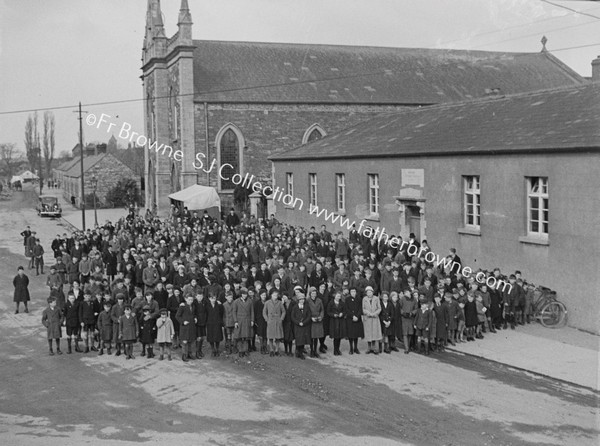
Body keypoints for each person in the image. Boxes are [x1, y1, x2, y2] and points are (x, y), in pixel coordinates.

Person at [232, 288, 254, 358]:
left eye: (246, 294)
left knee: (246, 336)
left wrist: (252, 320)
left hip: (247, 320)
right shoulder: (236, 302)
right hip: (239, 320)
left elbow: (252, 312)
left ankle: (246, 350)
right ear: (241, 294)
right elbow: (234, 312)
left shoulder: (250, 301)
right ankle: (240, 351)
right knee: (240, 337)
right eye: (243, 294)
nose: (244, 295)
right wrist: (235, 321)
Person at [263, 290, 285, 357]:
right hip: (270, 321)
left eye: (276, 295)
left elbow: (283, 311)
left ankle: (277, 350)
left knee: (278, 337)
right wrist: (267, 319)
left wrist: (281, 319)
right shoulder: (267, 303)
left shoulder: (280, 303)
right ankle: (271, 350)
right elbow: (264, 312)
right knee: (270, 337)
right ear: (271, 295)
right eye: (274, 295)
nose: (275, 296)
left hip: (277, 321)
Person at [176, 294, 197, 362]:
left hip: (191, 326)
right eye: (189, 300)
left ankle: (190, 354)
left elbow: (194, 314)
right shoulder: (182, 306)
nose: (190, 301)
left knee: (191, 340)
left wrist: (195, 318)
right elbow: (177, 316)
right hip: (184, 327)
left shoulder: (193, 306)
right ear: (186, 299)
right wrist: (182, 322)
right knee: (184, 341)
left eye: (191, 300)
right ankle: (184, 355)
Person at [291, 293, 311, 359]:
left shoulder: (307, 306)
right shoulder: (295, 307)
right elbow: (292, 317)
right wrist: (298, 322)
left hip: (305, 325)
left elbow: (309, 316)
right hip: (297, 326)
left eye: (303, 299)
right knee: (298, 338)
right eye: (300, 299)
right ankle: (298, 351)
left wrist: (304, 322)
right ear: (298, 300)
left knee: (303, 339)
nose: (302, 300)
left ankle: (301, 352)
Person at [362, 286, 382, 354]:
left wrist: (374, 313)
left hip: (375, 318)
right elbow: (363, 308)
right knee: (368, 333)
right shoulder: (364, 299)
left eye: (370, 292)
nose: (369, 293)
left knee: (374, 333)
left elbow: (379, 308)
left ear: (372, 292)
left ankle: (374, 347)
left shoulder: (376, 298)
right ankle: (369, 347)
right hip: (368, 318)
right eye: (368, 292)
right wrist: (368, 313)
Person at [345, 287, 364, 354]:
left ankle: (356, 348)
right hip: (350, 318)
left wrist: (357, 316)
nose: (353, 292)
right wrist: (352, 316)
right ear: (350, 292)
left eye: (354, 291)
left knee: (356, 334)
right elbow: (346, 309)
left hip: (357, 318)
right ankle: (351, 348)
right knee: (350, 334)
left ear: (356, 292)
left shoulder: (359, 299)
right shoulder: (347, 299)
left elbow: (360, 308)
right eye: (352, 291)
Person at [307, 287, 325, 358]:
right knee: (312, 336)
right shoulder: (307, 301)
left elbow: (322, 310)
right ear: (310, 293)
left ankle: (315, 351)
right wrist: (311, 318)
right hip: (311, 320)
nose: (314, 294)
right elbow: (307, 311)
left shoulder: (319, 300)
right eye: (312, 293)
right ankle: (311, 351)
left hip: (318, 319)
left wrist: (321, 316)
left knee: (316, 337)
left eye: (315, 293)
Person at [327, 291, 346, 355]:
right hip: (334, 321)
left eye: (340, 296)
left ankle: (338, 349)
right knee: (335, 336)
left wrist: (342, 313)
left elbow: (344, 311)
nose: (339, 297)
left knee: (339, 336)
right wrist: (333, 315)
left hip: (340, 321)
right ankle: (335, 350)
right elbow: (328, 312)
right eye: (337, 296)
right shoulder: (331, 303)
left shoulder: (342, 303)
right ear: (334, 296)